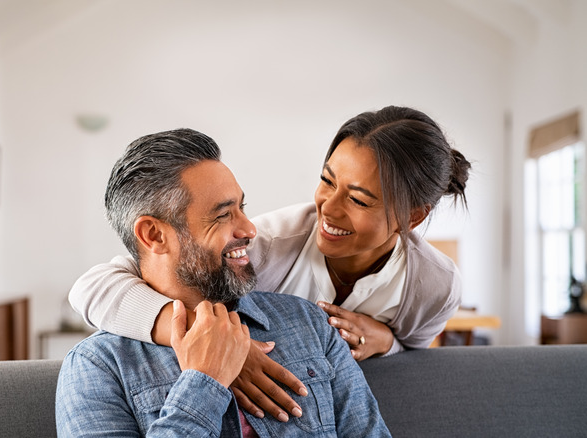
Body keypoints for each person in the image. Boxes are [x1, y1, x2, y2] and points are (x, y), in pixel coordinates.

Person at [69, 106, 471, 420]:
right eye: (327, 180)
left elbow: (415, 354)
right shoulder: (268, 244)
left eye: (359, 199)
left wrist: (388, 342)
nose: (327, 209)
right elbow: (94, 287)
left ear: (412, 217)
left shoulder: (434, 285)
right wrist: (214, 342)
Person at [55, 128, 390, 437]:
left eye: (242, 207)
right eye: (223, 214)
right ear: (154, 235)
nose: (249, 229)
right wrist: (205, 383)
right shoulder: (97, 366)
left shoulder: (310, 324)